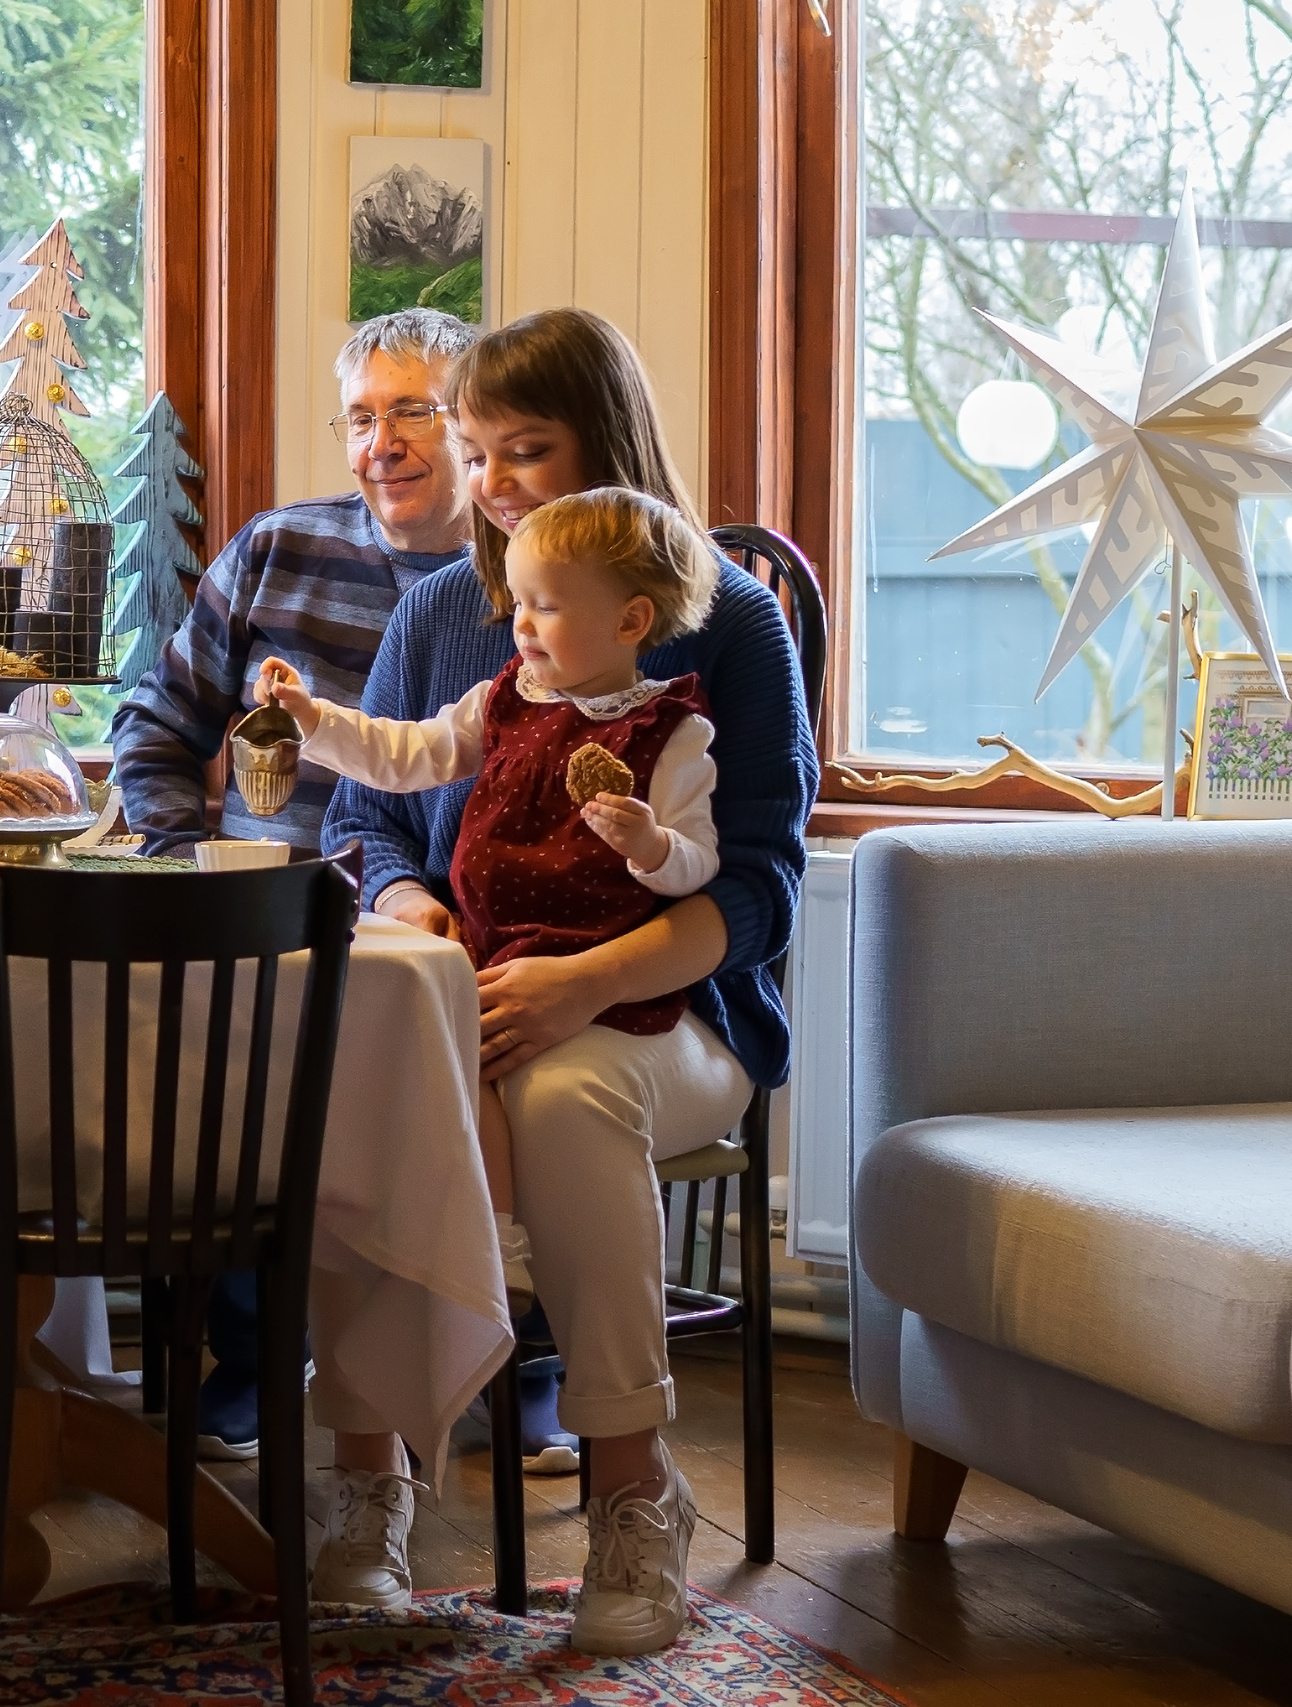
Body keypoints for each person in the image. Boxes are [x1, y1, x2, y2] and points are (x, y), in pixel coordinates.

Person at [318, 308, 815, 1654]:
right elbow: (357, 820)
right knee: (359, 1077)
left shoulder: (734, 622)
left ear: (610, 445)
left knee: (574, 1091)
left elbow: (762, 882)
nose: (492, 483)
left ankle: (631, 1488)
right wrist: (404, 898)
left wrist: (587, 981)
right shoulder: (440, 616)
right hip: (462, 991)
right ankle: (369, 1477)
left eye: (525, 449)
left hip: (675, 1006)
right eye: (477, 453)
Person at [108, 308, 581, 1466]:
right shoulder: (276, 549)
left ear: (469, 432)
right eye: (362, 417)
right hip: (267, 917)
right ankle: (255, 1358)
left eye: (413, 412)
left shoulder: (540, 582)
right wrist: (181, 865)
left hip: (466, 924)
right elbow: (155, 726)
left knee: (510, 1053)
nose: (385, 443)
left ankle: (526, 1363)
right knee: (225, 1047)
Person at [257, 486, 727, 1324]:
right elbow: (407, 753)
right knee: (435, 1059)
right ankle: (497, 1244)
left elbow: (700, 865)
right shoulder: (503, 698)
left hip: (595, 976)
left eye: (547, 607)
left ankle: (500, 1255)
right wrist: (314, 719)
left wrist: (649, 844)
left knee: (479, 1067)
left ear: (629, 622)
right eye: (518, 603)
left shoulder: (670, 735)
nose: (522, 625)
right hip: (493, 953)